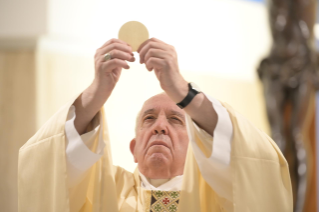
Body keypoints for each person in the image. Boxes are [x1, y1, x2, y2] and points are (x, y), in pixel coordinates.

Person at [18, 38, 292, 212]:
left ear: (201, 144)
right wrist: (96, 92)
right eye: (149, 119)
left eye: (175, 119)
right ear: (134, 148)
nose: (160, 127)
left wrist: (185, 93)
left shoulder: (220, 195)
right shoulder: (102, 189)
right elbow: (46, 164)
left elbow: (259, 163)